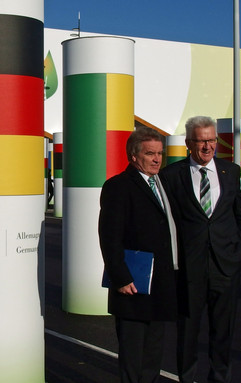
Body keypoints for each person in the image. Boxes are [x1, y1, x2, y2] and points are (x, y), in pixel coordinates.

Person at [160, 116, 241, 383]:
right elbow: (168, 222)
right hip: (189, 269)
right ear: (189, 143)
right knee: (187, 333)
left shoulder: (230, 171)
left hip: (225, 266)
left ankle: (220, 379)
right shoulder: (171, 175)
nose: (208, 146)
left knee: (223, 332)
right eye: (201, 141)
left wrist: (240, 252)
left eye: (211, 140)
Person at [98, 127, 179, 383]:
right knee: (133, 358)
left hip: (161, 284)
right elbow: (109, 236)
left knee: (153, 356)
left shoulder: (164, 183)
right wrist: (120, 277)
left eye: (160, 153)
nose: (157, 159)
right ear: (133, 156)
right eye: (150, 154)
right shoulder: (118, 187)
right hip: (133, 285)